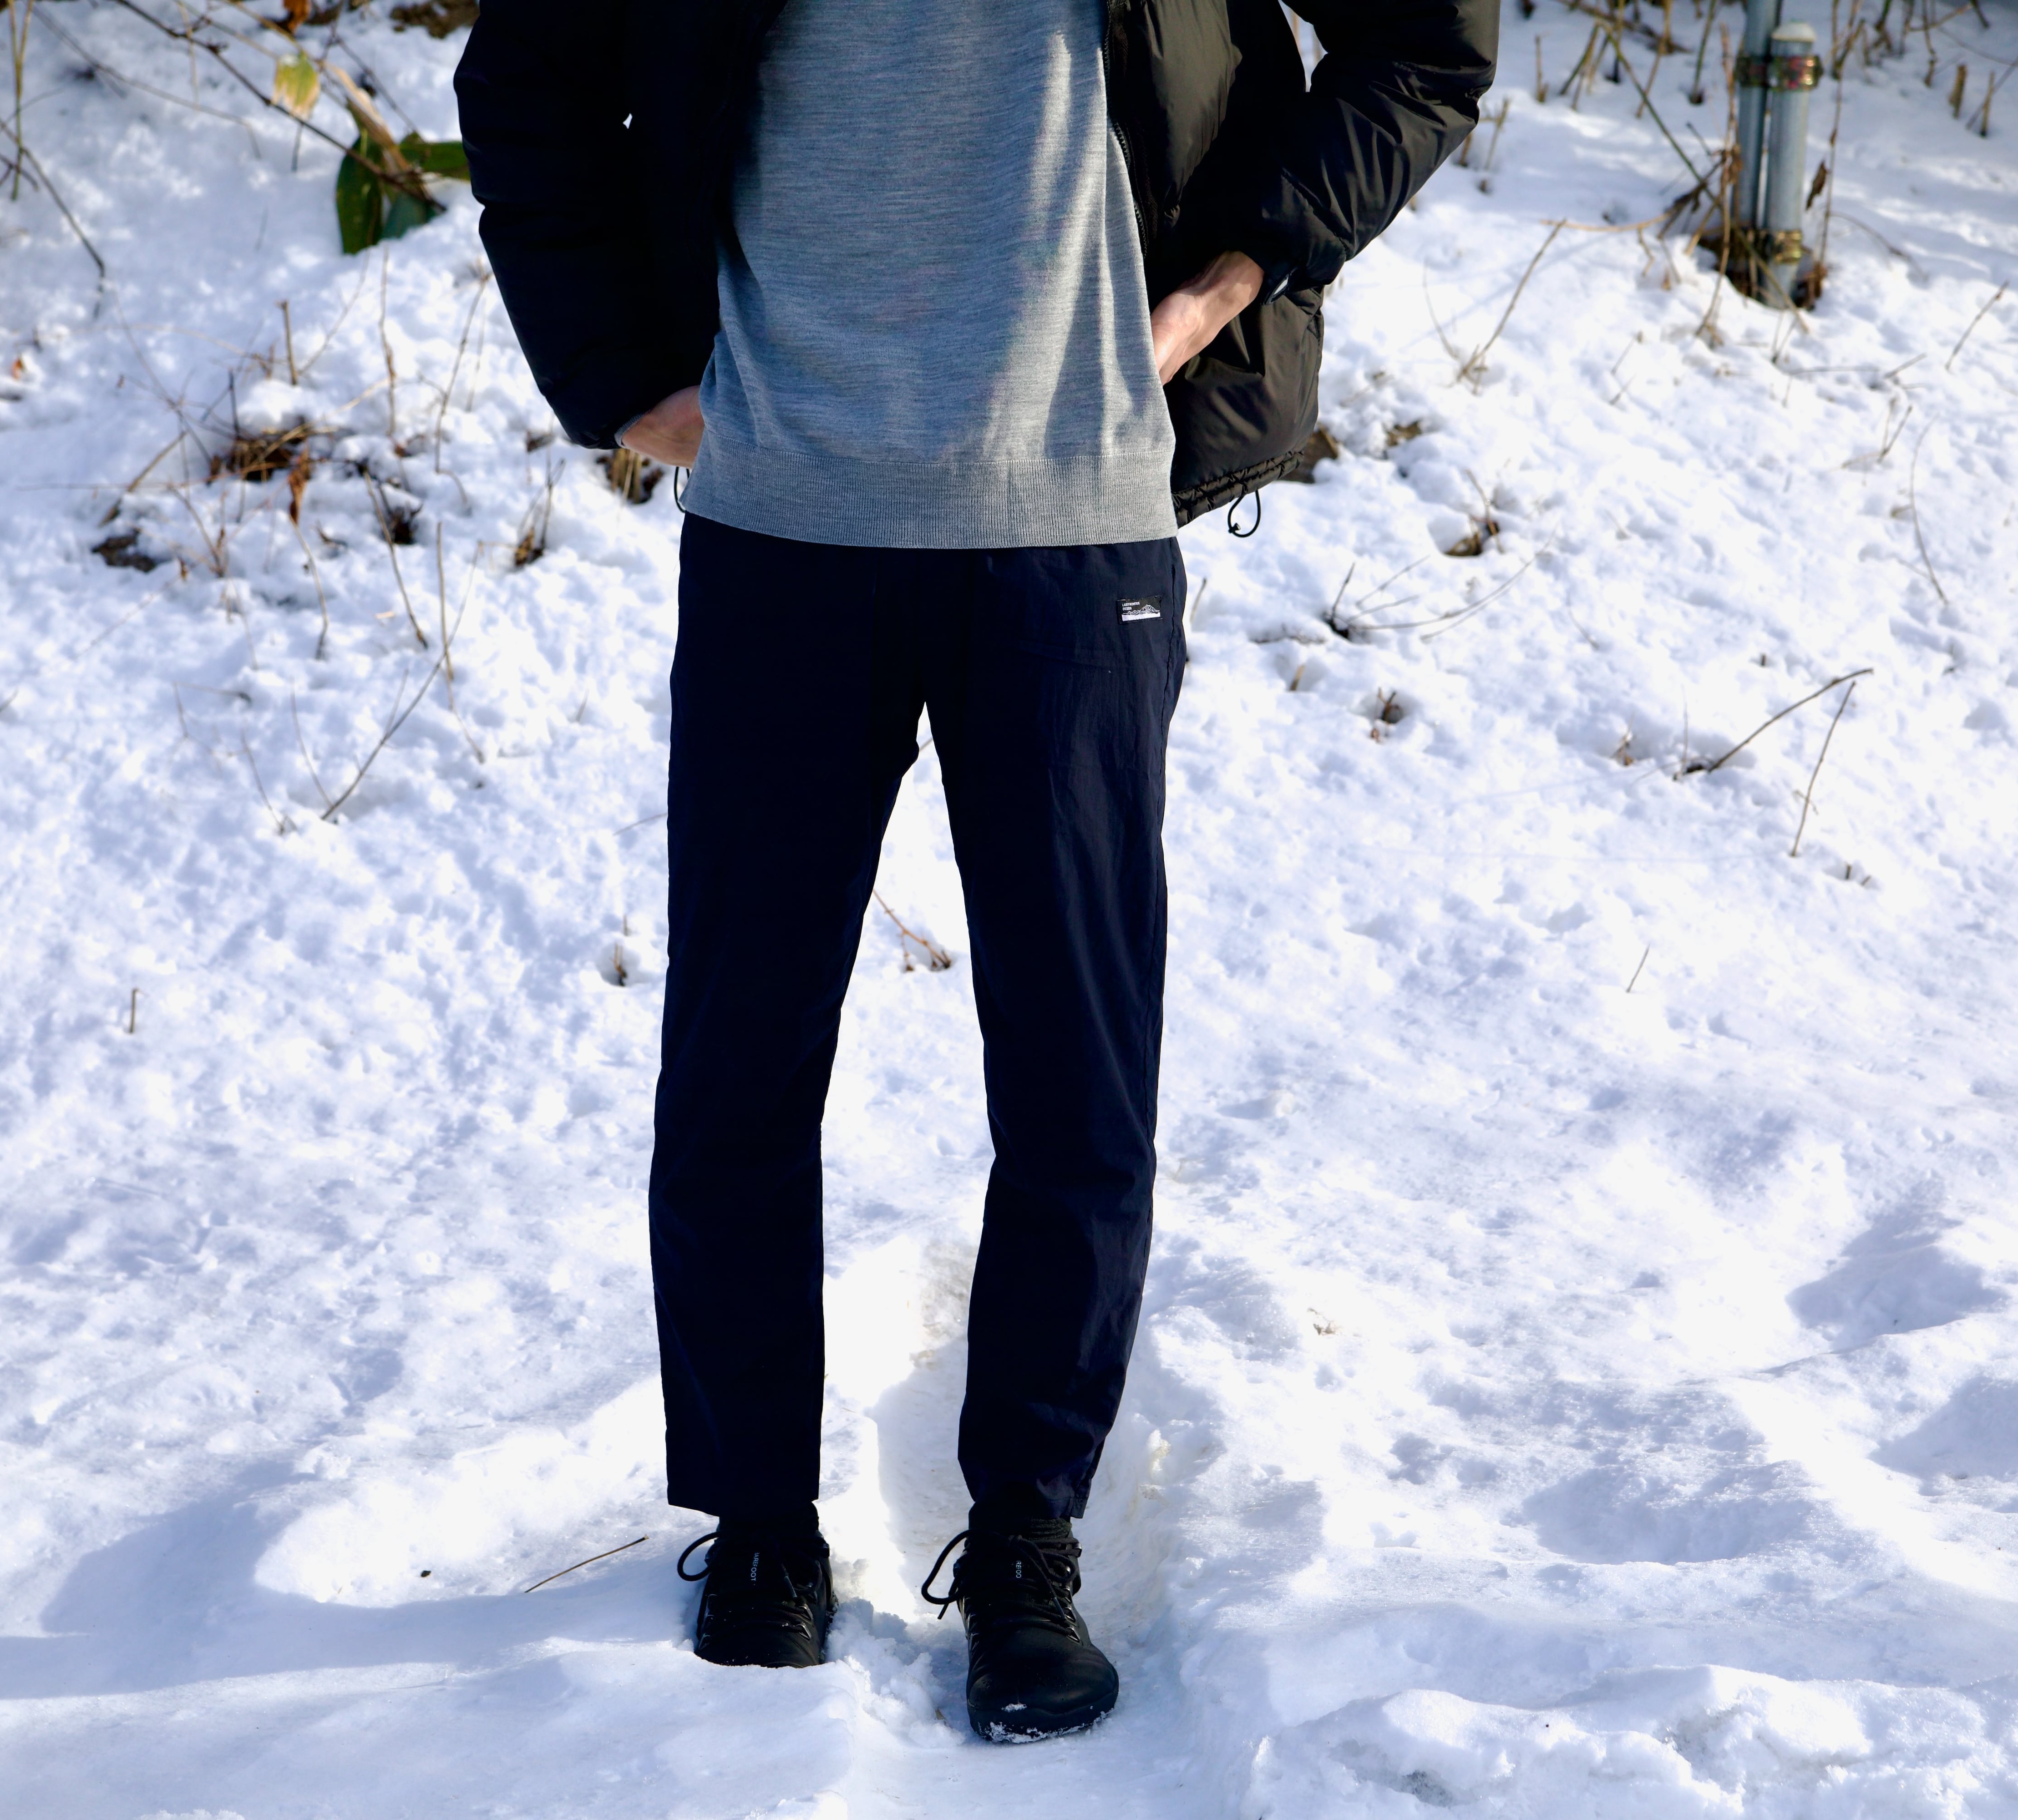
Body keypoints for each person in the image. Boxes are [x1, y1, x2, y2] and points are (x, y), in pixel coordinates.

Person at [456, 0, 1495, 1742]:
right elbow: (527, 82)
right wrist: (619, 375)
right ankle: (761, 1526)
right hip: (786, 530)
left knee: (1079, 1074)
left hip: (1075, 530)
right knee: (737, 1060)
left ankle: (1027, 1538)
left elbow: (1428, 43)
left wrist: (1231, 281)